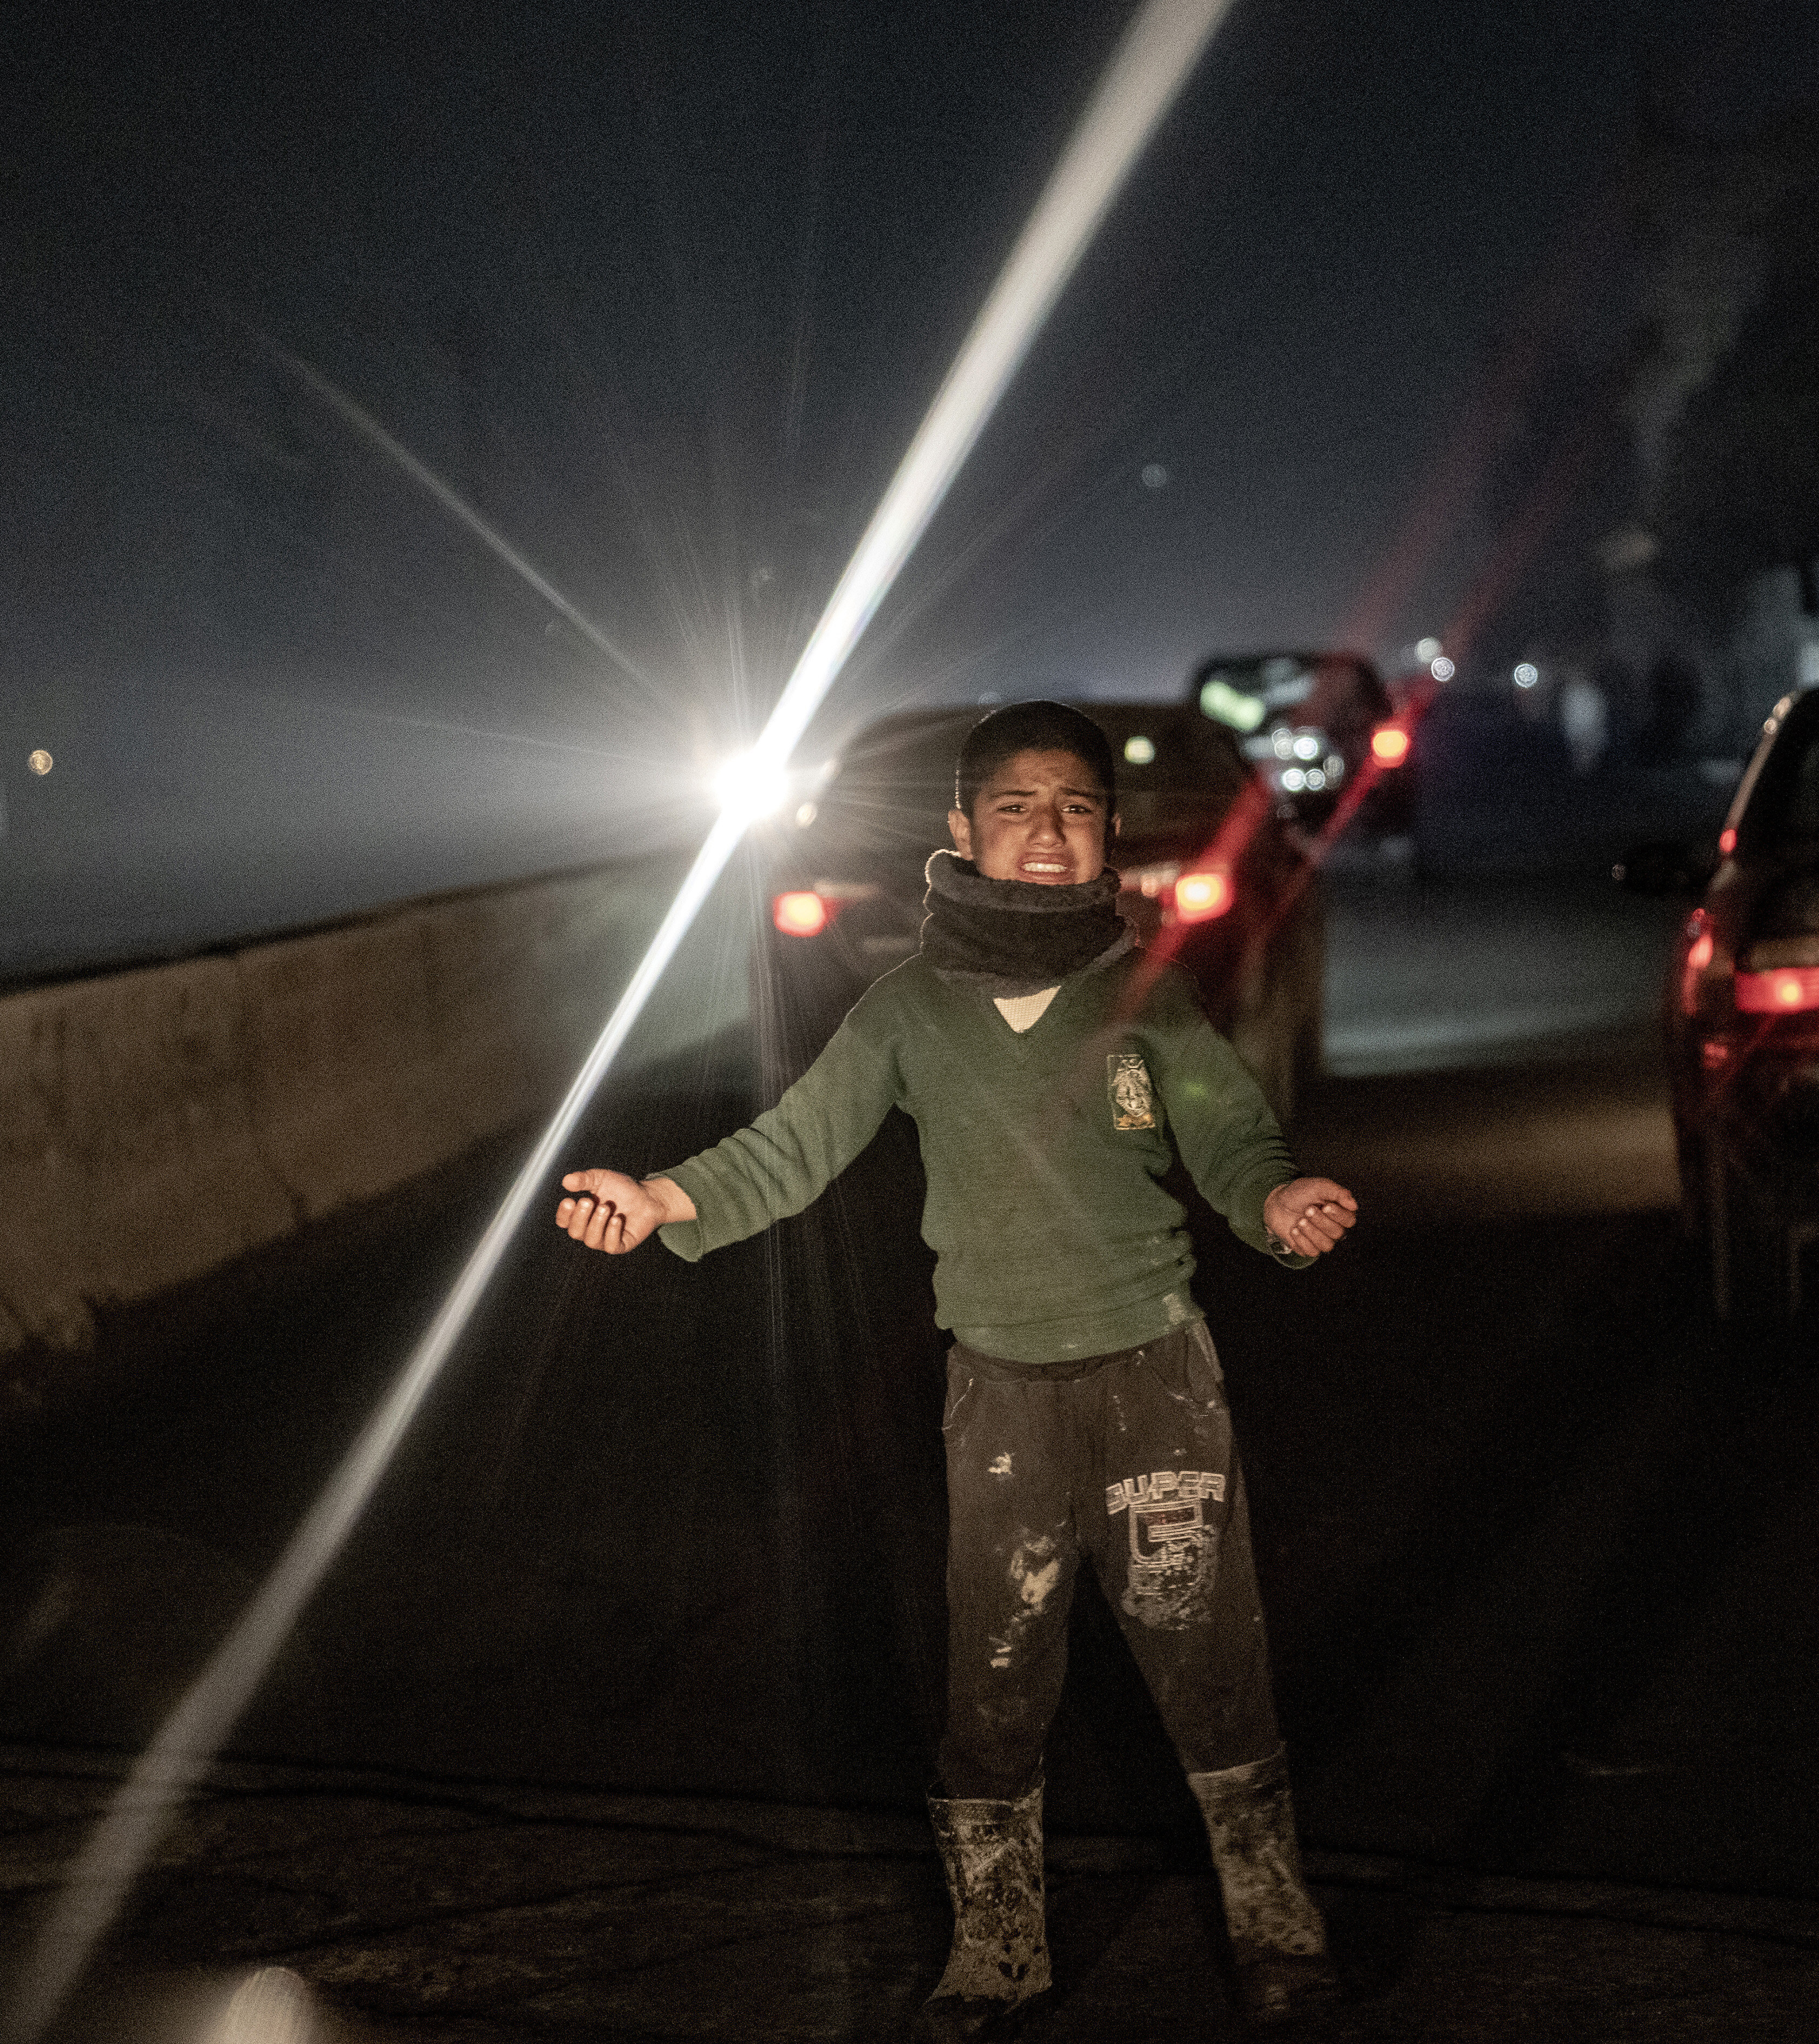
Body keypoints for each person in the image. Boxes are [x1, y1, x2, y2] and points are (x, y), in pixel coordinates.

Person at [554, 701, 1357, 2040]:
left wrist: (1277, 1203)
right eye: (1018, 807)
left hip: (1157, 1372)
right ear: (963, 831)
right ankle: (996, 1953)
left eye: (1077, 809)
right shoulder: (906, 1012)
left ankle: (1276, 1928)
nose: (1047, 833)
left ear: (1107, 835)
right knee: (993, 1681)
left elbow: (1231, 1137)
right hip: (999, 1394)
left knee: (1211, 1661)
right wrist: (661, 1198)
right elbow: (789, 1148)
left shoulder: (1143, 991)